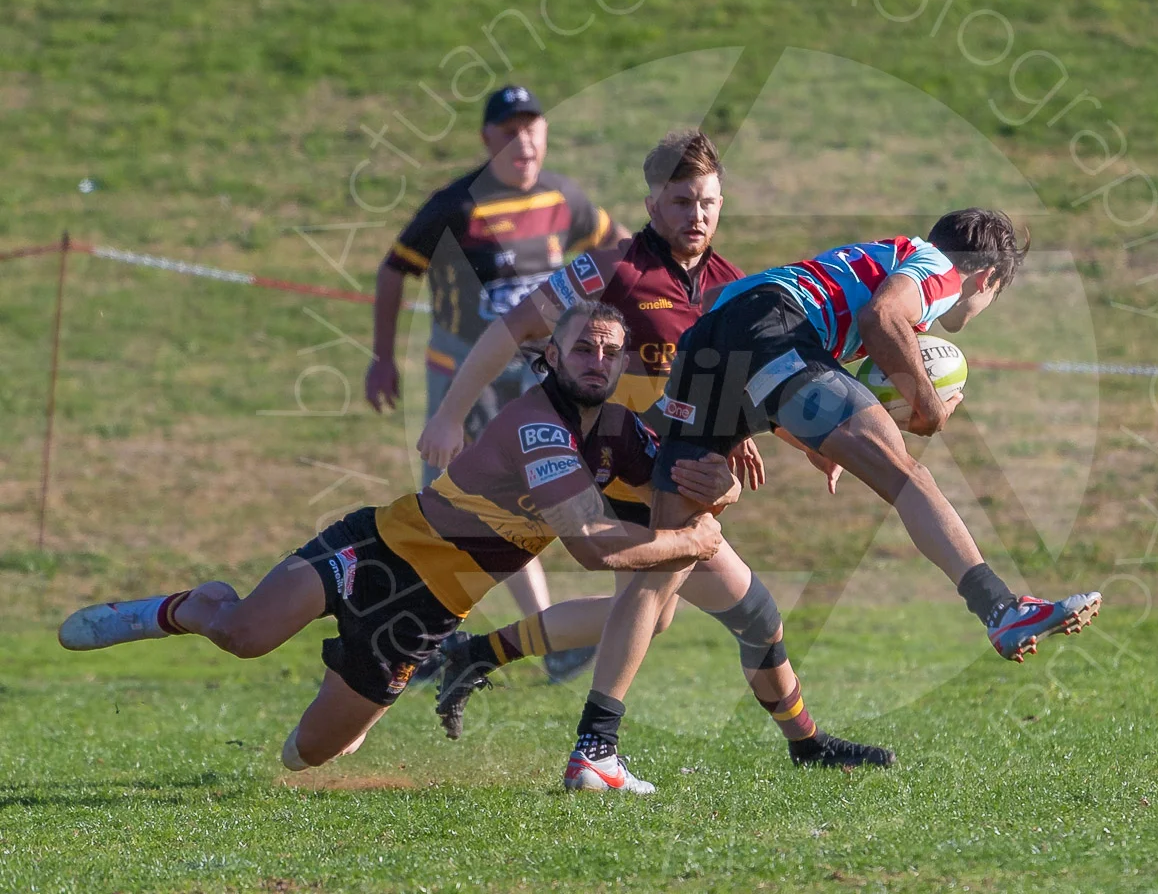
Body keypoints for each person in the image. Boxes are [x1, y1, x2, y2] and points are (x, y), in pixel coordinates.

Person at [58, 302, 731, 793]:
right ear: (552, 356)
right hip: (379, 551)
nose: (598, 361)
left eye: (610, 351)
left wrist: (720, 486)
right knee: (244, 635)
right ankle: (184, 608)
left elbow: (679, 477)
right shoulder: (538, 424)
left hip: (427, 615)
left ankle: (352, 690)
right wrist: (690, 539)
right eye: (583, 347)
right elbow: (590, 545)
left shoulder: (614, 431)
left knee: (307, 756)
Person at [418, 131, 895, 777]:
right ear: (651, 203)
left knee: (689, 612)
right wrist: (450, 412)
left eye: (707, 203)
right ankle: (595, 748)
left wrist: (778, 438)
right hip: (618, 465)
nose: (694, 216)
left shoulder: (738, 287)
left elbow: (745, 381)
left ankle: (479, 656)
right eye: (679, 202)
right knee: (663, 598)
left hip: (673, 466)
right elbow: (512, 327)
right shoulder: (612, 269)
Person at [578, 211, 1104, 783]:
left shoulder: (869, 257)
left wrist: (784, 427)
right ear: (987, 280)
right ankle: (1000, 608)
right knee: (907, 476)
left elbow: (737, 310)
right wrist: (926, 408)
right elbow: (883, 320)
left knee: (667, 561)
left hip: (710, 343)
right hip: (774, 332)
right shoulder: (940, 268)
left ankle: (594, 748)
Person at [367, 84, 629, 683]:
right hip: (461, 380)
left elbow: (618, 250)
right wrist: (382, 358)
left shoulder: (566, 198)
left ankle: (469, 638)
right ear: (487, 139)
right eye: (509, 131)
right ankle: (417, 637)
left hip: (537, 381)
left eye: (532, 127)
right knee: (450, 509)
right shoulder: (455, 206)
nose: (524, 141)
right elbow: (393, 271)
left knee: (526, 502)